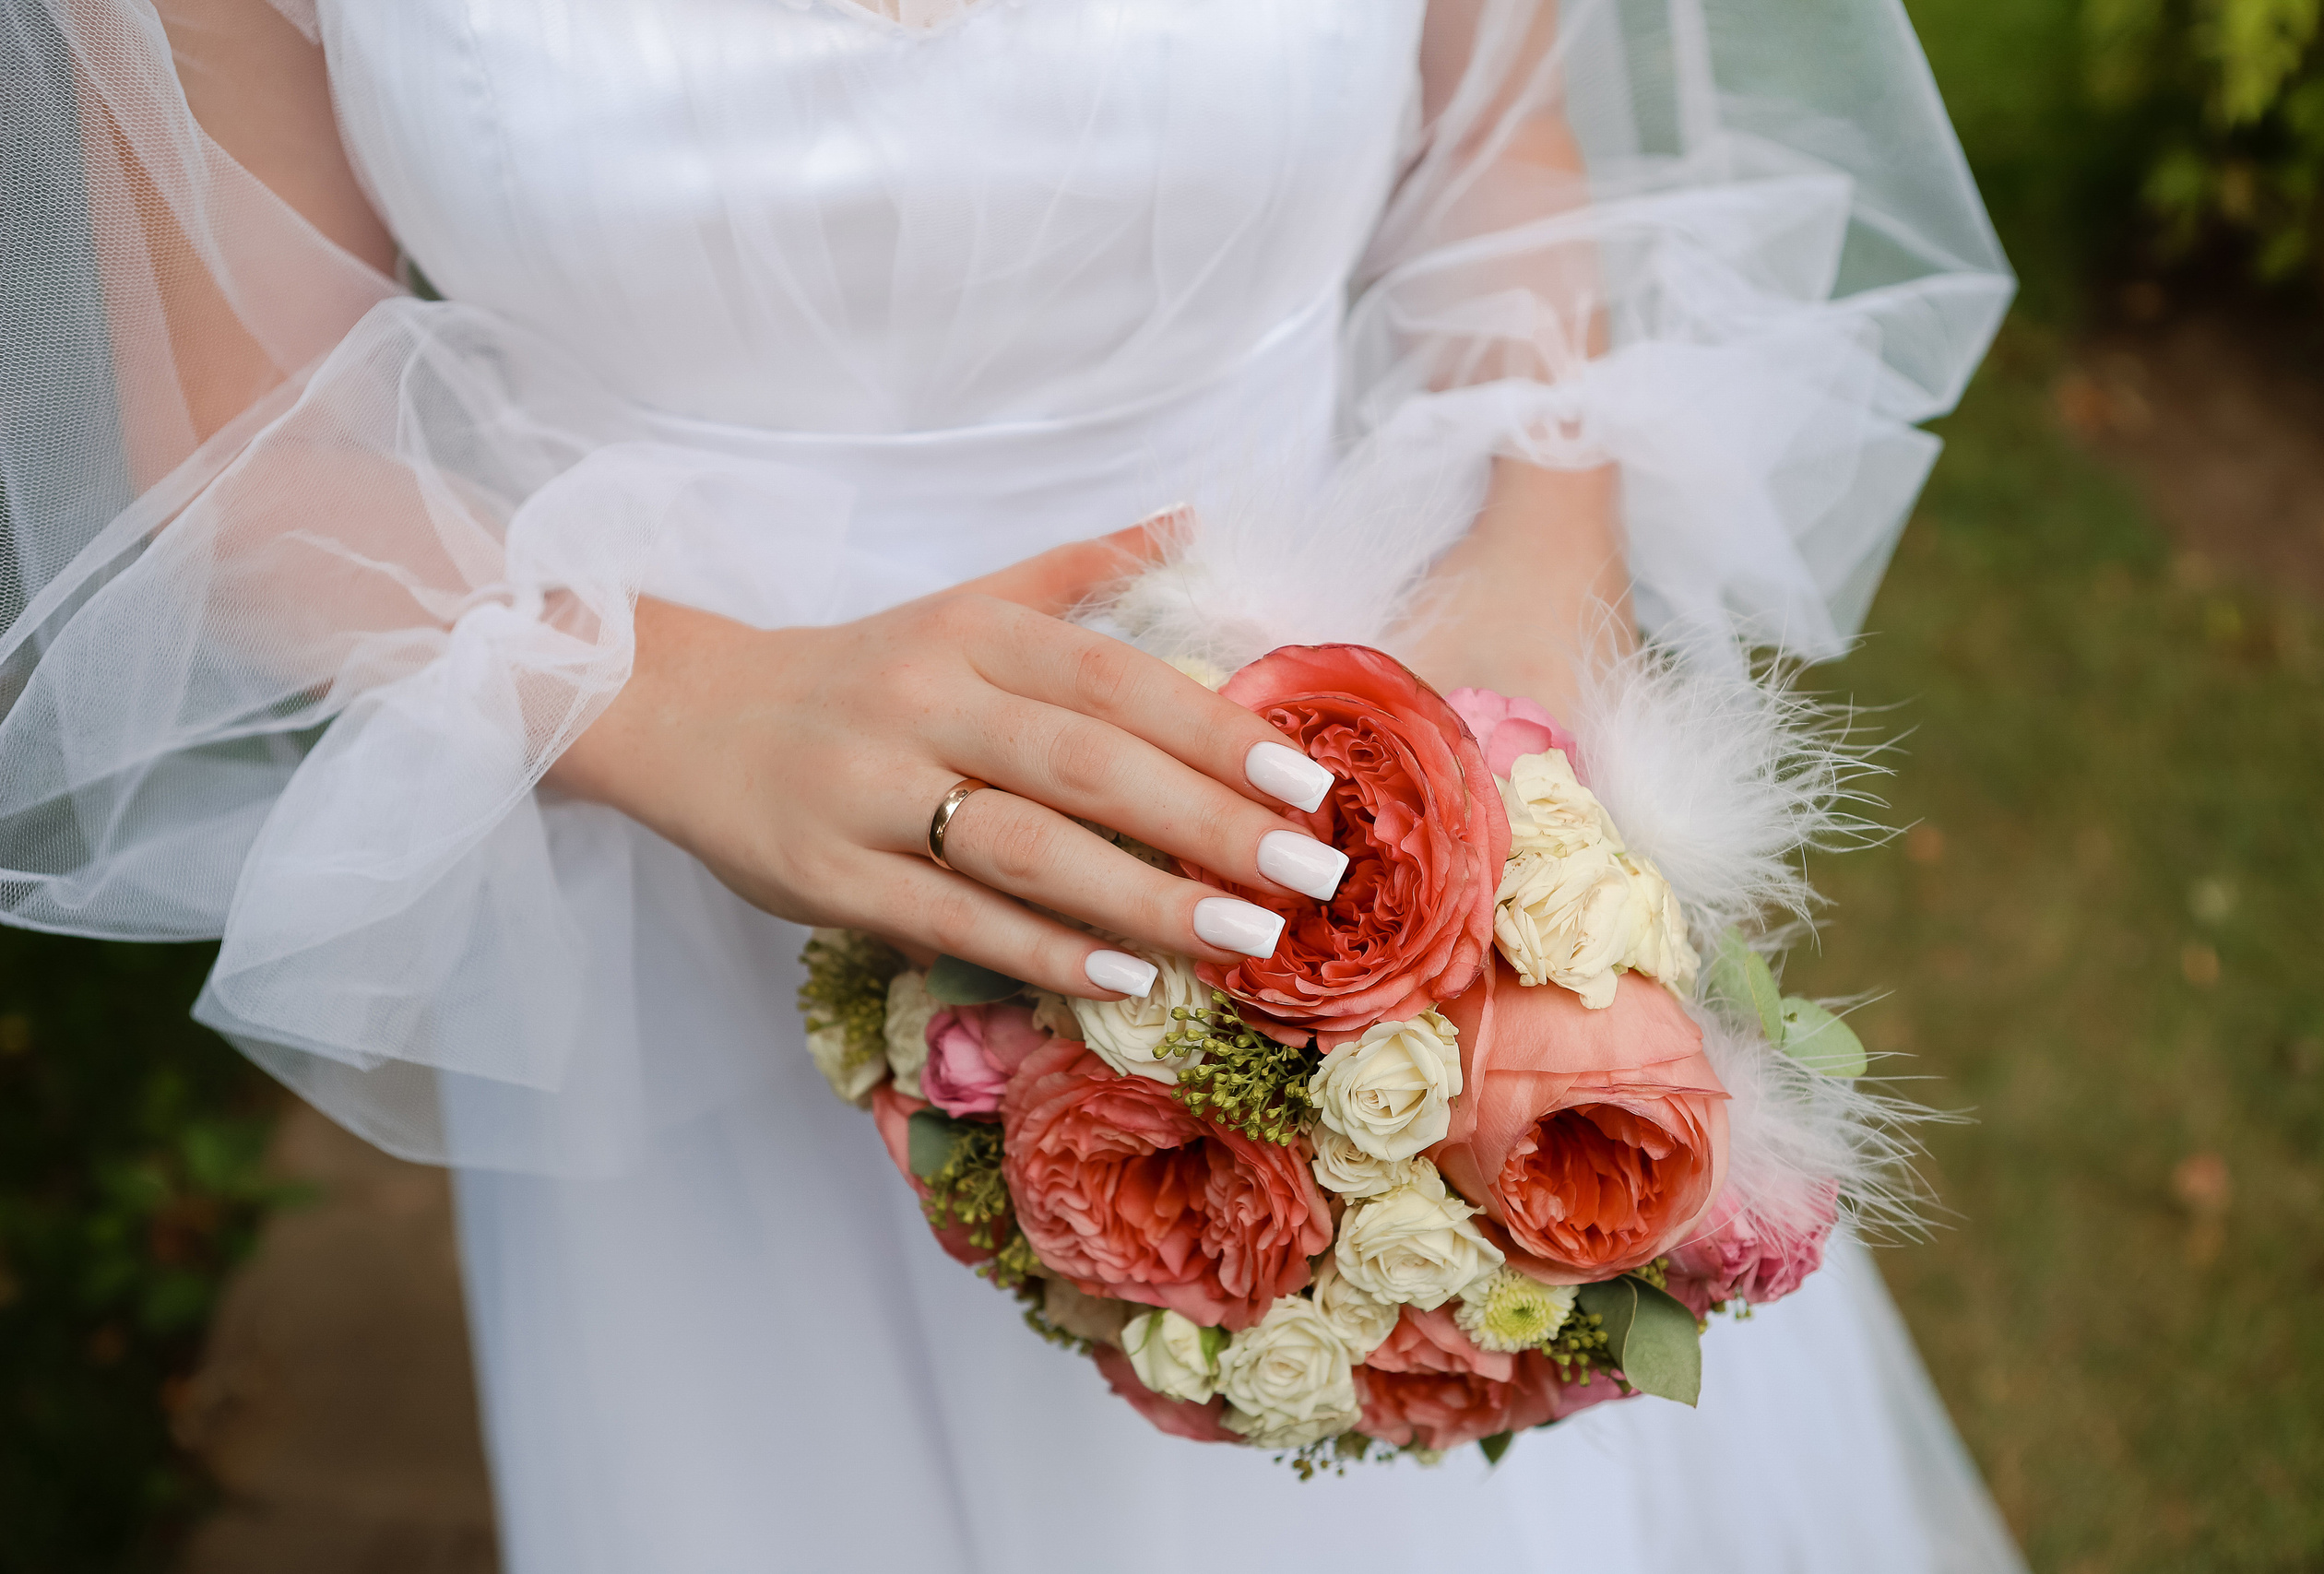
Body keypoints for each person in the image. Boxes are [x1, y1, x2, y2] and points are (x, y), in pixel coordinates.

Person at [1, 0, 2024, 1568]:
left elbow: (1499, 137)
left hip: (1335, 827)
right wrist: (673, 701)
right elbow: (245, 446)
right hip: (709, 965)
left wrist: (1529, 583)